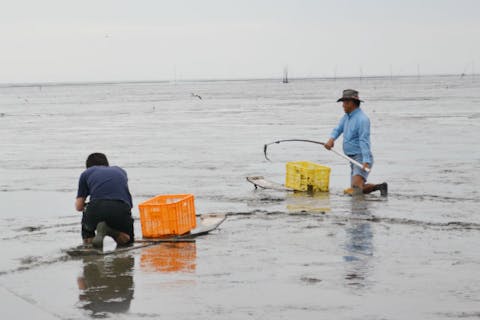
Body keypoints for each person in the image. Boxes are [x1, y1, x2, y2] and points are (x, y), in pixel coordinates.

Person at [324, 89, 387, 196]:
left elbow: (364, 140)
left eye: (345, 103)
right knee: (356, 190)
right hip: (351, 159)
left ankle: (360, 211)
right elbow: (338, 129)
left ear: (353, 103)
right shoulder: (346, 117)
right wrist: (331, 140)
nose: (343, 105)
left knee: (356, 190)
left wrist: (366, 160)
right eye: (343, 103)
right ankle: (380, 187)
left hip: (361, 157)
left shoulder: (362, 119)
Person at [75, 153, 134, 247]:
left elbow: (79, 206)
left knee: (87, 212)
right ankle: (112, 232)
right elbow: (128, 203)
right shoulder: (120, 171)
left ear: (88, 167)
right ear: (107, 164)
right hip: (121, 209)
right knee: (127, 242)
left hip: (96, 209)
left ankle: (89, 243)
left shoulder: (86, 173)